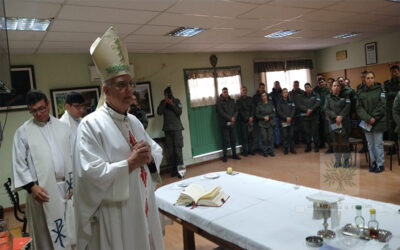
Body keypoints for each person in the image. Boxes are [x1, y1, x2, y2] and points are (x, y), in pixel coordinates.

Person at [74, 26, 164, 249]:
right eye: (121, 85)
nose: (129, 91)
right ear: (106, 90)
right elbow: (90, 175)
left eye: (130, 84)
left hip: (142, 202)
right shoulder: (90, 125)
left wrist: (150, 158)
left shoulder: (133, 121)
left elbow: (155, 151)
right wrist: (130, 163)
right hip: (116, 214)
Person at [12, 90, 75, 249]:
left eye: (41, 108)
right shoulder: (23, 132)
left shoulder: (64, 127)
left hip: (66, 189)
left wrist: (75, 183)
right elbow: (19, 164)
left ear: (48, 104)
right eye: (33, 111)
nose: (38, 114)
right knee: (45, 236)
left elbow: (74, 156)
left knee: (70, 232)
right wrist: (32, 187)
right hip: (41, 192)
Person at [356, 71, 386, 173]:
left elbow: (382, 106)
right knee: (370, 144)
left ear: (374, 79)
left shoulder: (380, 90)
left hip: (378, 122)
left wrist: (373, 117)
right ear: (364, 79)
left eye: (372, 78)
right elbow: (359, 108)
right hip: (366, 122)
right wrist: (368, 118)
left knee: (378, 144)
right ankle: (374, 163)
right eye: (368, 78)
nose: (370, 80)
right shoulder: (360, 92)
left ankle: (380, 164)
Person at [157, 86, 184, 177]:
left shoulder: (177, 101)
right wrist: (165, 102)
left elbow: (179, 112)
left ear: (171, 93)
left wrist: (171, 104)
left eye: (168, 94)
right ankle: (174, 170)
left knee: (178, 151)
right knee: (171, 152)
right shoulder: (162, 103)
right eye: (166, 94)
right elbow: (159, 112)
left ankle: (181, 171)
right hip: (167, 130)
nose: (168, 95)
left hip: (177, 129)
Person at [324, 81, 351, 168]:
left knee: (344, 143)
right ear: (331, 88)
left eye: (337, 86)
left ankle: (346, 161)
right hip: (333, 123)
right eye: (334, 86)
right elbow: (326, 108)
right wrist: (335, 117)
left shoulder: (345, 96)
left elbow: (348, 107)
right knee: (336, 143)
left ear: (340, 87)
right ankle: (338, 161)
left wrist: (341, 116)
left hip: (344, 123)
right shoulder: (328, 97)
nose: (336, 87)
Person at [216, 87, 240, 162]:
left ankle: (234, 154)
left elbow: (236, 110)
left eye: (226, 92)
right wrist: (230, 118)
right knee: (225, 140)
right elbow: (221, 112)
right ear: (222, 93)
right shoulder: (219, 101)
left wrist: (234, 118)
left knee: (233, 139)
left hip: (232, 123)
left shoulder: (232, 100)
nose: (226, 93)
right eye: (224, 92)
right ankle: (225, 156)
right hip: (224, 124)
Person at [297, 83, 320, 152]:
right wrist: (307, 110)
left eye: (308, 87)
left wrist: (311, 109)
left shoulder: (316, 94)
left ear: (311, 87)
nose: (307, 88)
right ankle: (308, 146)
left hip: (314, 116)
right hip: (306, 117)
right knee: (307, 132)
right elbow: (299, 105)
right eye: (305, 87)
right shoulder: (302, 96)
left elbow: (318, 103)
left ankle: (316, 146)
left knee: (315, 131)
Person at [383, 65, 400, 151]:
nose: (393, 73)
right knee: (391, 129)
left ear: (398, 72)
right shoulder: (386, 83)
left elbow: (389, 94)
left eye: (395, 72)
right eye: (392, 72)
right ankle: (392, 148)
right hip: (389, 110)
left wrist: (391, 94)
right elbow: (384, 95)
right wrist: (396, 93)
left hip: (399, 110)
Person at [256, 92, 276, 157]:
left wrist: (269, 117)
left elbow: (274, 113)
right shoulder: (259, 105)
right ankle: (265, 151)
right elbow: (257, 114)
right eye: (262, 96)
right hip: (262, 124)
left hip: (270, 123)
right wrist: (263, 117)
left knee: (270, 138)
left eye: (265, 96)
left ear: (266, 96)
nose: (264, 97)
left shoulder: (271, 104)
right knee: (264, 138)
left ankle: (271, 151)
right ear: (261, 97)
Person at [236, 86, 254, 156]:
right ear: (241, 92)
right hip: (243, 121)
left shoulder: (250, 99)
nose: (244, 92)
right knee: (244, 137)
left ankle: (251, 150)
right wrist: (247, 118)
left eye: (245, 90)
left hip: (250, 120)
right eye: (243, 90)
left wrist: (251, 117)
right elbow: (240, 111)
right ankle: (245, 151)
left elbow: (252, 108)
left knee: (251, 136)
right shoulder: (238, 101)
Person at [277, 88, 296, 154]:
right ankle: (285, 149)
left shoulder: (291, 101)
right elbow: (279, 111)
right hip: (284, 121)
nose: (285, 93)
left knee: (291, 135)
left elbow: (293, 109)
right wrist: (286, 118)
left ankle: (292, 148)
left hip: (291, 121)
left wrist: (290, 117)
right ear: (282, 94)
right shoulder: (279, 102)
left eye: (286, 92)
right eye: (284, 92)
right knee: (285, 135)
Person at [313, 78, 330, 148]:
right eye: (319, 83)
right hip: (318, 113)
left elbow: (328, 101)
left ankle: (330, 146)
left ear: (325, 82)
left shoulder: (328, 90)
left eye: (322, 82)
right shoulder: (316, 90)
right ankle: (322, 143)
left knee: (327, 130)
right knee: (319, 129)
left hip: (325, 112)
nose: (321, 84)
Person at [252, 82, 266, 152]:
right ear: (258, 88)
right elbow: (254, 108)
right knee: (257, 134)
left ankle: (264, 148)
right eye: (261, 88)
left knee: (264, 135)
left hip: (265, 119)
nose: (262, 89)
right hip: (257, 119)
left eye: (263, 88)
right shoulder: (255, 97)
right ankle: (257, 148)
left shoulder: (267, 96)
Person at [269, 81, 282, 148]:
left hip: (282, 114)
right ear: (274, 85)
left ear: (279, 85)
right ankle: (276, 143)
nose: (276, 86)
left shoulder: (283, 93)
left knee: (283, 129)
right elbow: (270, 105)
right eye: (275, 85)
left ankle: (283, 142)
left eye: (278, 84)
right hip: (275, 115)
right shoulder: (270, 94)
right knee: (275, 130)